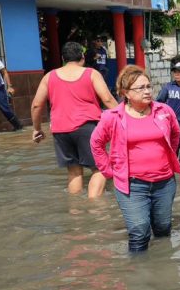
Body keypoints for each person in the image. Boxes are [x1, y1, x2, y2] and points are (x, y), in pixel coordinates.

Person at [90, 65, 180, 253]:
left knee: (163, 229)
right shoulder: (113, 117)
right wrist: (109, 171)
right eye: (141, 88)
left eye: (149, 86)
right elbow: (96, 144)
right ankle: (138, 276)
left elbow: (175, 133)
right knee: (139, 231)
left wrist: (168, 157)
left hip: (164, 182)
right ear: (125, 93)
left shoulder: (163, 111)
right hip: (132, 185)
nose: (147, 91)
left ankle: (163, 268)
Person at [30, 41, 118, 197]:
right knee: (100, 168)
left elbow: (36, 105)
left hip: (60, 130)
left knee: (74, 171)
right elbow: (108, 100)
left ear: (63, 58)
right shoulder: (91, 73)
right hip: (87, 128)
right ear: (82, 57)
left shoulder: (49, 76)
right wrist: (124, 119)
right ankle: (96, 209)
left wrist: (37, 129)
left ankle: (75, 211)